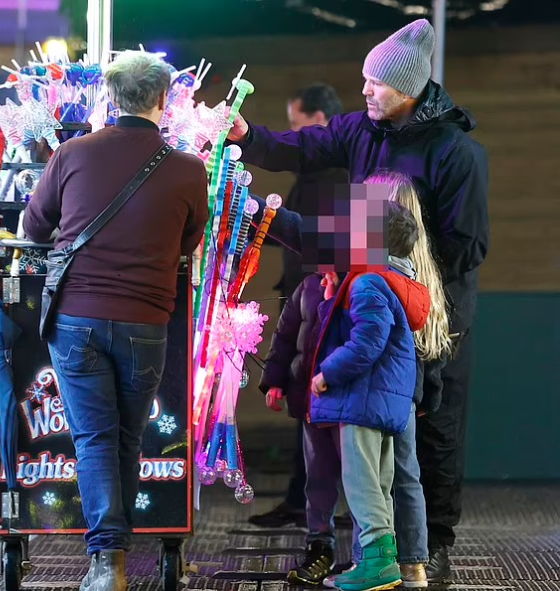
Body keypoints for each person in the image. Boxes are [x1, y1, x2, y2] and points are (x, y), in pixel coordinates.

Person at [228, 19, 489, 582]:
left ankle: (431, 547)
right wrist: (248, 139)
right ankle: (383, 551)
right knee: (370, 438)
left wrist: (391, 264)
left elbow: (467, 248)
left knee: (430, 437)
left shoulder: (455, 154)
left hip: (430, 317)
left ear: (410, 86)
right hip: (374, 299)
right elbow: (302, 146)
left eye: (376, 82)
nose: (365, 89)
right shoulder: (363, 130)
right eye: (366, 79)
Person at [23, 51, 209, 591]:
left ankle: (108, 565)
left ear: (111, 97)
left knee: (95, 438)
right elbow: (189, 239)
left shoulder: (72, 153)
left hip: (75, 320)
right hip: (145, 322)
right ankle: (114, 555)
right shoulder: (187, 169)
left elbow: (36, 229)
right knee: (128, 437)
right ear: (164, 99)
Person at [310, 202, 430, 591]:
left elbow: (366, 342)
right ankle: (386, 561)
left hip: (363, 399)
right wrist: (332, 297)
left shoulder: (369, 282)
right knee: (379, 482)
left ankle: (377, 562)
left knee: (361, 482)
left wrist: (328, 373)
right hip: (387, 400)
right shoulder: (395, 280)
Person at [249, 82, 347, 531]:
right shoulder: (325, 177)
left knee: (313, 406)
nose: (292, 135)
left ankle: (312, 508)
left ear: (320, 121)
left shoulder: (330, 178)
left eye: (296, 125)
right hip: (310, 299)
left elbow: (314, 240)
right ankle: (305, 502)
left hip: (318, 302)